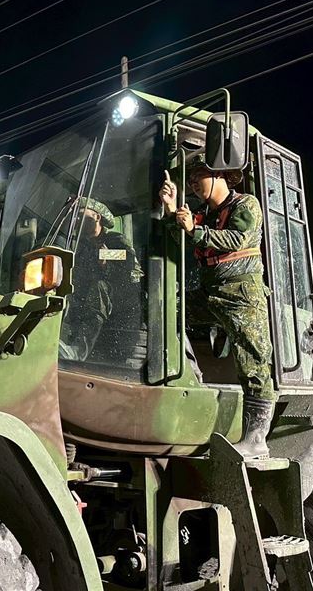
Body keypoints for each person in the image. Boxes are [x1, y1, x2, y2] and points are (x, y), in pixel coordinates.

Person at [159, 155, 275, 459]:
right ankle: (190, 376)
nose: (194, 184)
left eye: (200, 176)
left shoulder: (245, 205)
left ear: (223, 175)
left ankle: (256, 439)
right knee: (168, 311)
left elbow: (236, 239)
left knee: (253, 359)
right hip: (211, 292)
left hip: (241, 292)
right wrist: (173, 213)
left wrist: (193, 230)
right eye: (191, 180)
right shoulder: (204, 214)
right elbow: (180, 239)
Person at [59, 197, 142, 362]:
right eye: (73, 218)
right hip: (93, 300)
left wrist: (105, 265)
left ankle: (78, 351)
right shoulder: (82, 248)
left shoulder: (115, 241)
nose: (76, 221)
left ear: (97, 217)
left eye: (80, 215)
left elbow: (133, 274)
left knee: (99, 287)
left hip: (122, 302)